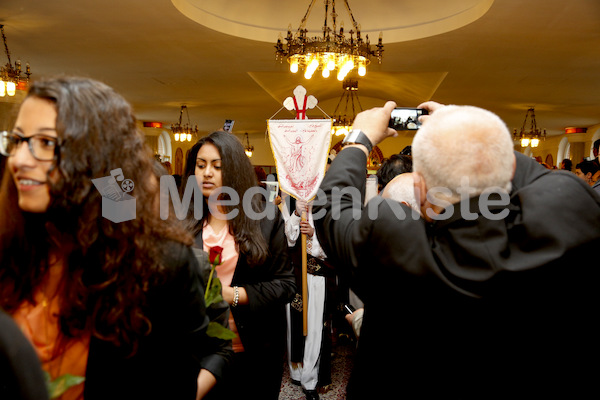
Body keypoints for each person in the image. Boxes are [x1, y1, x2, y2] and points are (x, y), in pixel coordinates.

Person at [313, 101, 600, 398]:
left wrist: (358, 140)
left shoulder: (396, 245)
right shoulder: (572, 210)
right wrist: (470, 132)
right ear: (509, 166)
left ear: (421, 190)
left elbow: (330, 208)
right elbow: (538, 177)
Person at [0, 76, 223, 400]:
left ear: (95, 157)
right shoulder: (11, 243)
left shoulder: (159, 266)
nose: (19, 159)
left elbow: (172, 389)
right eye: (18, 140)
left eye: (46, 143)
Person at [181, 131, 296, 399]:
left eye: (217, 166)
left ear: (234, 170)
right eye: (200, 165)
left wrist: (231, 294)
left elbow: (286, 285)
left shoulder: (265, 218)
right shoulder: (183, 217)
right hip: (197, 349)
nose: (207, 173)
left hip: (251, 348)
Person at [285, 199, 331, 400]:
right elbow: (289, 239)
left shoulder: (328, 214)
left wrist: (314, 234)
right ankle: (296, 371)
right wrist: (296, 214)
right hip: (296, 277)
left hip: (319, 279)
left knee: (314, 328)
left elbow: (334, 248)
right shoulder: (297, 210)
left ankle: (310, 379)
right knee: (293, 324)